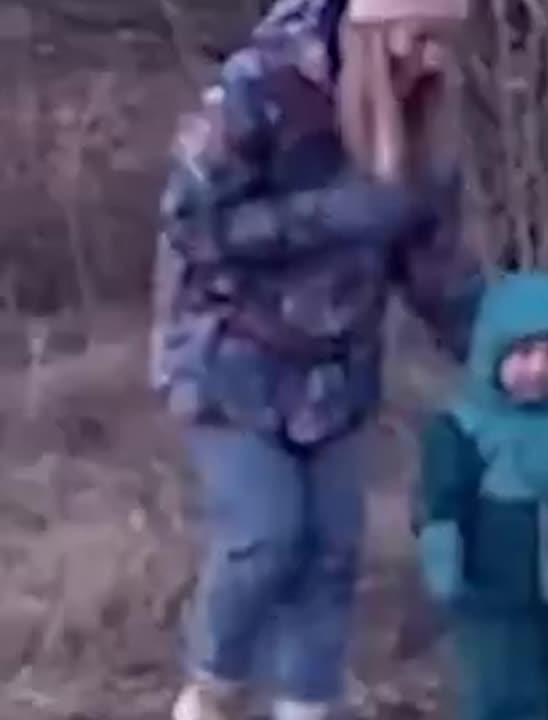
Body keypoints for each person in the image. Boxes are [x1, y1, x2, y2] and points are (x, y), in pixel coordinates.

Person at [150, 0, 484, 718]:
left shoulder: (424, 113)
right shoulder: (258, 88)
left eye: (443, 40)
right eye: (419, 36)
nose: (431, 59)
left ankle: (308, 701)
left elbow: (434, 266)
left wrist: (499, 352)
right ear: (368, 27)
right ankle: (213, 684)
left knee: (333, 547)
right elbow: (191, 223)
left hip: (338, 370)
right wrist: (328, 216)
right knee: (267, 536)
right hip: (230, 355)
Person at [414, 270, 548, 720]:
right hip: (492, 604)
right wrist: (444, 561)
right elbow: (441, 503)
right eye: (524, 353)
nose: (539, 368)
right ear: (492, 353)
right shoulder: (465, 428)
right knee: (504, 701)